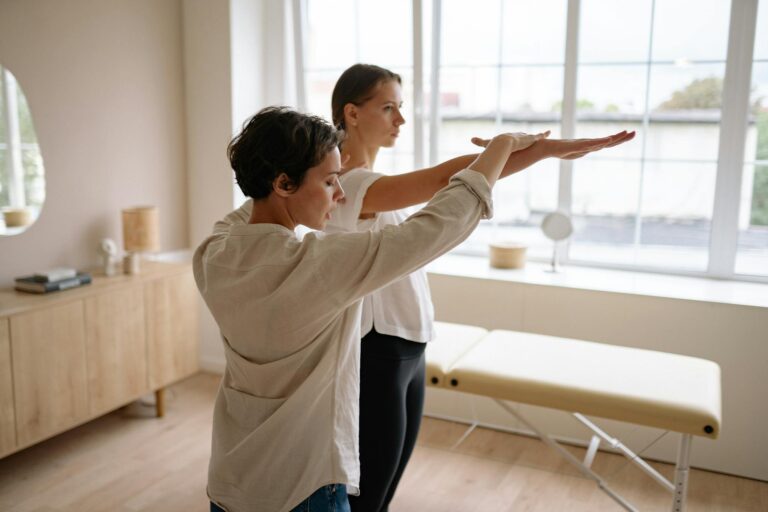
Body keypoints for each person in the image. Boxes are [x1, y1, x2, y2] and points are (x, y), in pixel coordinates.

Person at [218, 65, 635, 512]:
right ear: (352, 113)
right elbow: (445, 183)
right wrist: (538, 151)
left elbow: (454, 178)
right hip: (378, 347)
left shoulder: (253, 232)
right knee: (371, 490)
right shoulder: (351, 186)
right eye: (388, 107)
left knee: (384, 482)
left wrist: (530, 150)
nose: (400, 119)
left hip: (409, 342)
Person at [196, 105, 545, 512]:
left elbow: (250, 209)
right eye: (330, 181)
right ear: (284, 183)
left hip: (231, 482)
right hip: (303, 488)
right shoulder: (320, 266)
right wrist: (501, 145)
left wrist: (295, 172)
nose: (341, 195)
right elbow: (436, 226)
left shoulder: (213, 254)